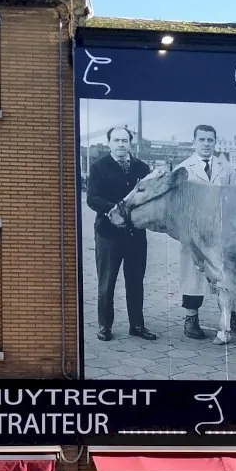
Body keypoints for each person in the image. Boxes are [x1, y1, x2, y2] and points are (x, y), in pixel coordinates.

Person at [175, 124, 236, 340]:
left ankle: (233, 316)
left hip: (221, 232)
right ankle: (191, 318)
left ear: (215, 142)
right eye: (202, 140)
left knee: (228, 275)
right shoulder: (183, 169)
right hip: (194, 232)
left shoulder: (225, 168)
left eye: (210, 140)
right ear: (194, 142)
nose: (206, 144)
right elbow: (176, 203)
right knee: (193, 275)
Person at [86, 126, 157, 342]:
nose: (120, 145)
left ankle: (137, 325)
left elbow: (150, 197)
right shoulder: (99, 167)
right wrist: (115, 208)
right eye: (116, 141)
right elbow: (92, 198)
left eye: (124, 141)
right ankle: (104, 326)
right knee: (107, 282)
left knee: (136, 281)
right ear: (109, 143)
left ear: (130, 143)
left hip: (136, 235)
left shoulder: (142, 168)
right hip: (108, 234)